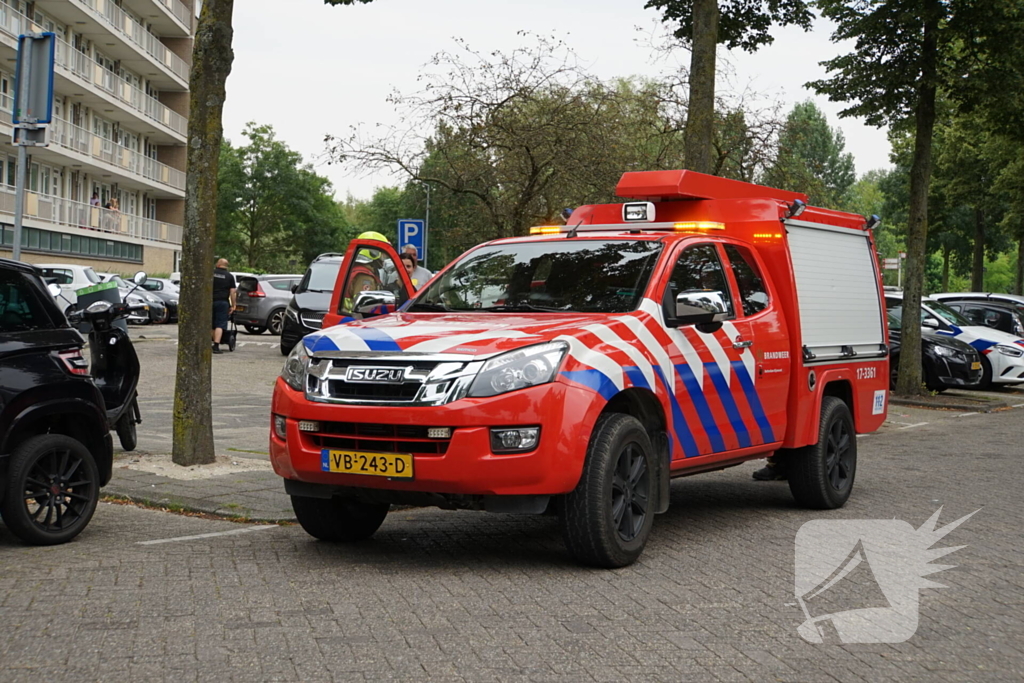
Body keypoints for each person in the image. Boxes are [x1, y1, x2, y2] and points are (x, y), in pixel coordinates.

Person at [211, 258, 236, 354]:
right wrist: (233, 305)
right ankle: (216, 345)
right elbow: (233, 292)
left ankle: (213, 342)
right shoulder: (229, 276)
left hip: (210, 301)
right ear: (226, 266)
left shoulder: (211, 273)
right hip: (222, 302)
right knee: (220, 324)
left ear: (218, 264)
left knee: (212, 324)